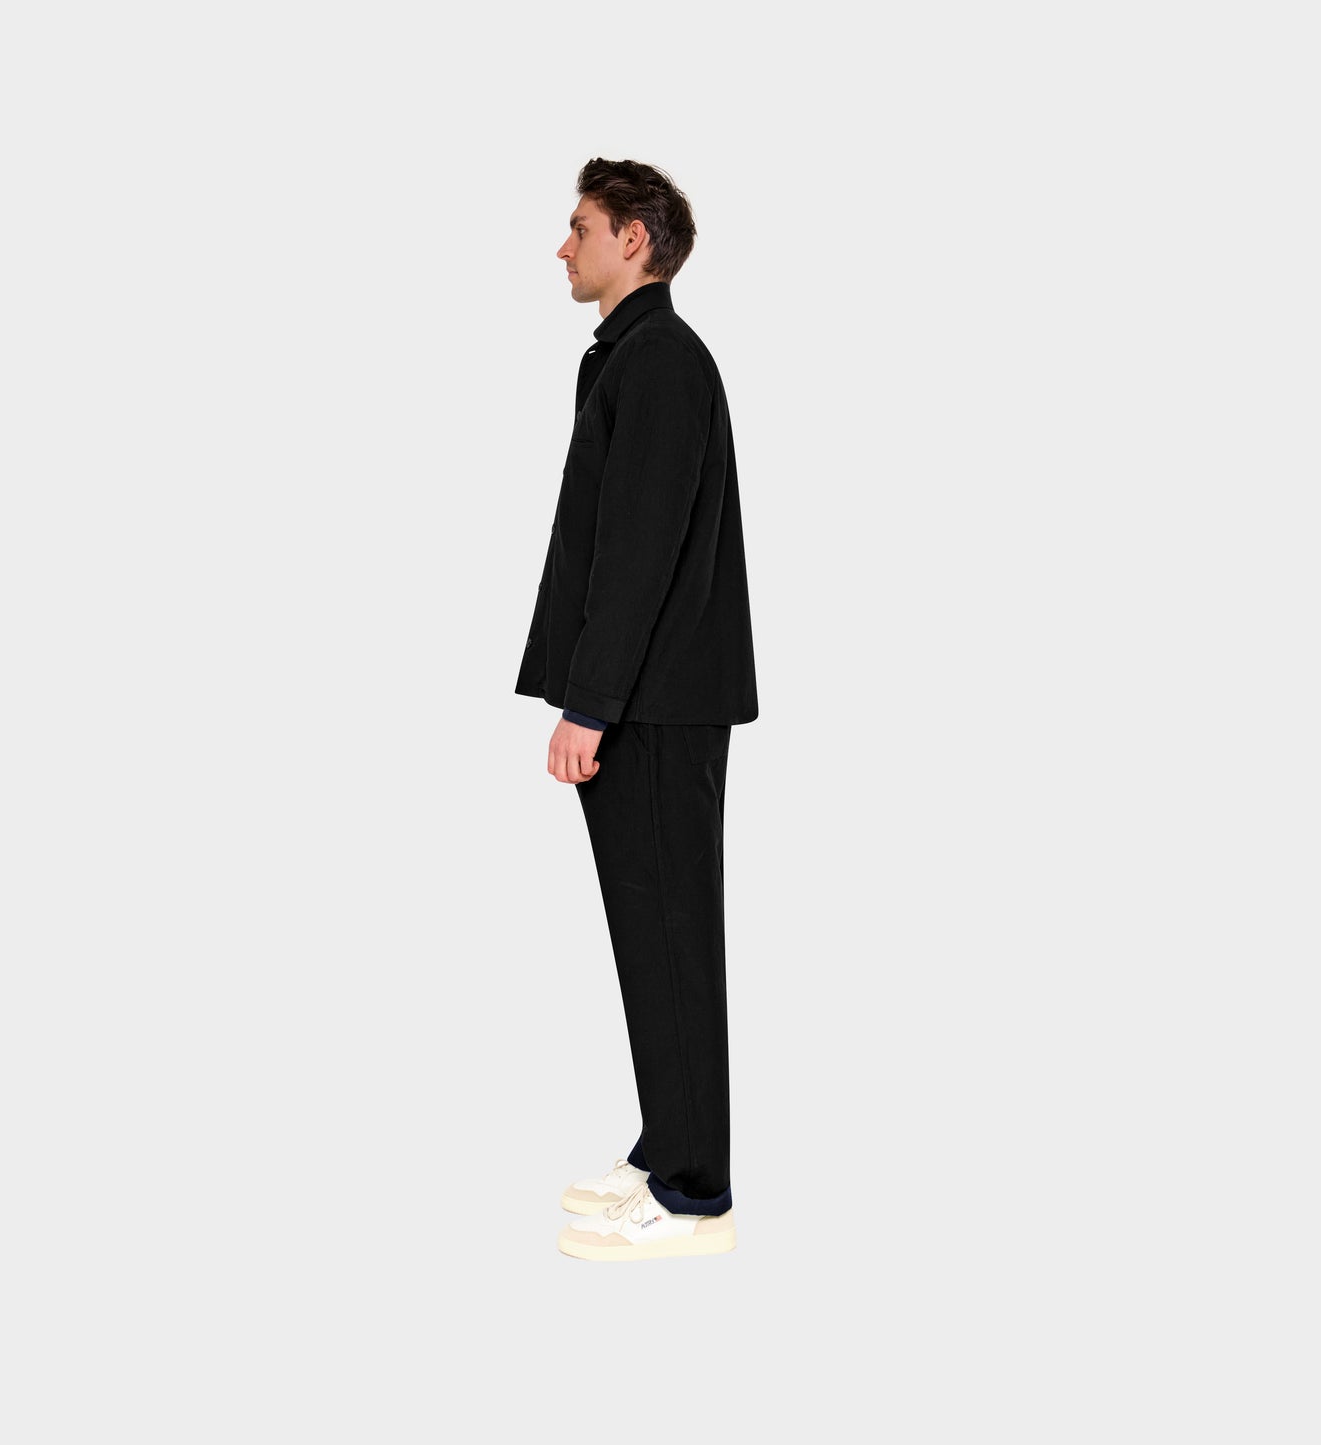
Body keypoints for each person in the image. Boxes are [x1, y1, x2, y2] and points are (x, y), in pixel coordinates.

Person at [514, 158, 759, 1262]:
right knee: (650, 938)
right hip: (647, 701)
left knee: (670, 937)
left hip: (652, 706)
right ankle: (671, 1143)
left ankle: (696, 1196)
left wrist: (590, 705)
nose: (561, 247)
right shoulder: (634, 356)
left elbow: (638, 553)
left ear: (633, 239)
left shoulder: (658, 361)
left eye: (580, 227)